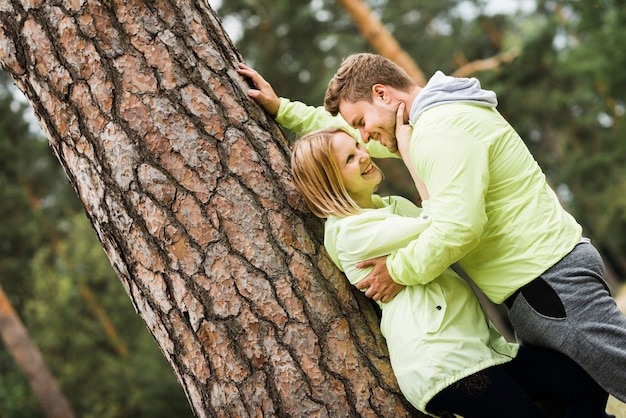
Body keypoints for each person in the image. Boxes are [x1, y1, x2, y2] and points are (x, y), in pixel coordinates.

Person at [316, 52, 626, 402]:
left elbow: (457, 228)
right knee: (575, 396)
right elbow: (332, 143)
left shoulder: (438, 132)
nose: (364, 137)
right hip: (541, 280)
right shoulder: (440, 117)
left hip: (547, 282)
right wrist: (282, 110)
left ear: (383, 95)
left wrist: (396, 271)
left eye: (360, 122)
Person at [286, 126, 608, 417]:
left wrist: (284, 109)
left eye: (358, 145)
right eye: (350, 159)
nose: (365, 154)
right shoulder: (348, 233)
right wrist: (411, 156)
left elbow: (442, 236)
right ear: (331, 182)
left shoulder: (391, 207)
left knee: (585, 380)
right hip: (442, 362)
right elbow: (441, 220)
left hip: (477, 348)